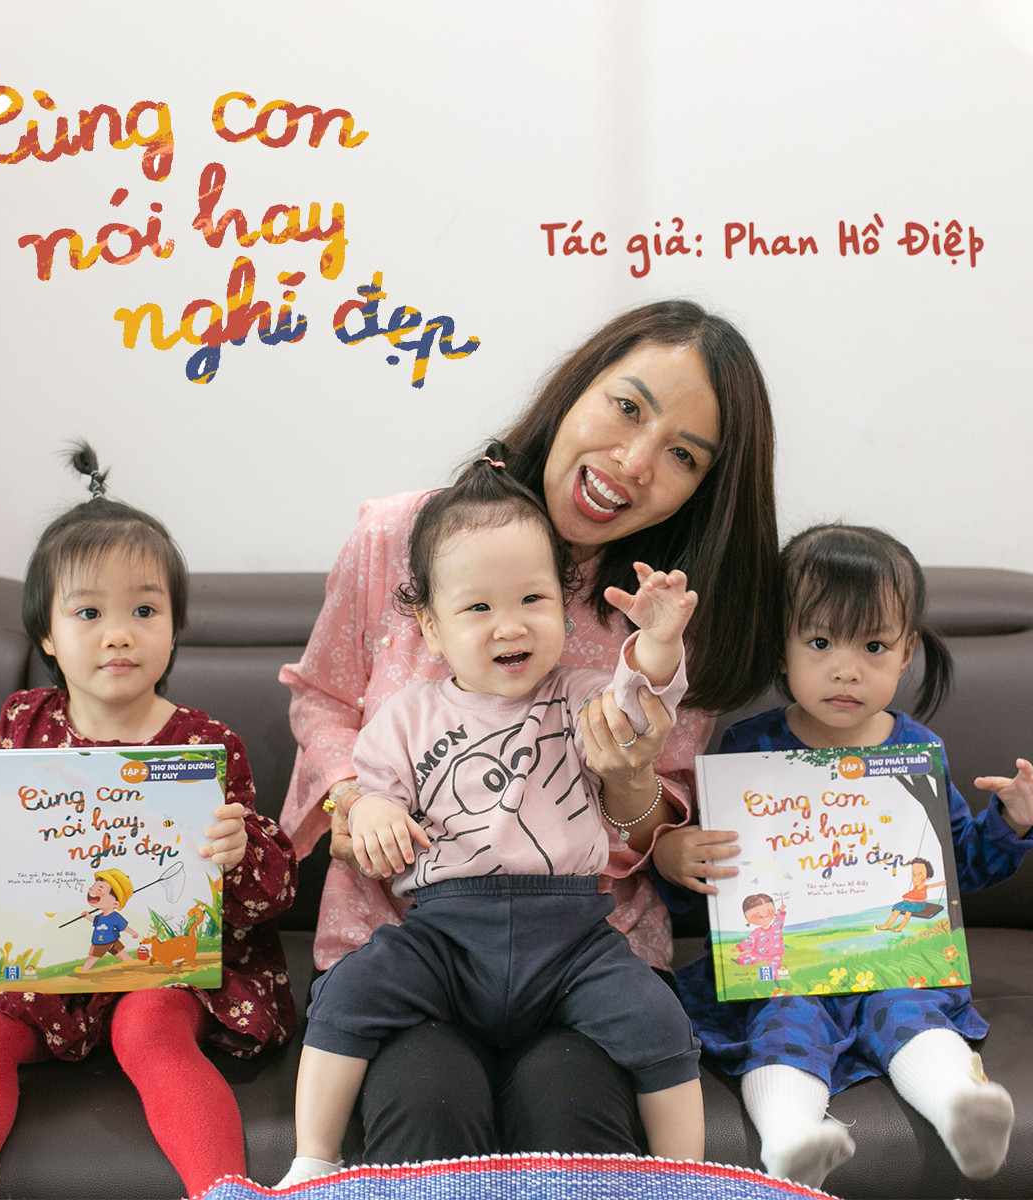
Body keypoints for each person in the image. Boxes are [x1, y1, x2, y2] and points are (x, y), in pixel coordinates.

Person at [279, 299, 780, 1160]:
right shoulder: (400, 535)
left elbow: (653, 828)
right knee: (429, 1111)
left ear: (705, 487)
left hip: (588, 952)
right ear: (575, 389)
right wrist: (355, 802)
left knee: (568, 1118)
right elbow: (323, 696)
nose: (634, 461)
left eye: (683, 455)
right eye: (627, 407)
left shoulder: (664, 619)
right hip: (403, 939)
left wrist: (628, 782)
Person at [0, 443, 297, 1200]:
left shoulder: (204, 745)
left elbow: (269, 894)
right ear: (46, 634)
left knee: (152, 1029)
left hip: (164, 968)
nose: (119, 634)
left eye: (144, 610)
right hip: (41, 967)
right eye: (88, 613)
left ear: (174, 627)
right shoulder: (24, 723)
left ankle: (225, 1192)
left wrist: (238, 850)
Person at [278, 460, 704, 1186]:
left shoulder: (580, 697)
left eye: (533, 598)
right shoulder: (405, 716)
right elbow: (368, 790)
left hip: (571, 935)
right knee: (347, 995)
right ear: (431, 627)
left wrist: (659, 642)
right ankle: (312, 1162)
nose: (511, 624)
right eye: (478, 608)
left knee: (660, 1021)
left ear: (564, 611)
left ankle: (686, 1177)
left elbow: (642, 702)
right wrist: (372, 809)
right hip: (443, 931)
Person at [656, 523, 1033, 1189]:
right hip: (786, 966)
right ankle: (790, 1139)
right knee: (785, 1017)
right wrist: (678, 859)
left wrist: (1010, 823)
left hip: (893, 957)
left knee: (909, 1009)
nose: (847, 669)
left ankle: (961, 1107)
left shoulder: (915, 754)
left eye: (873, 646)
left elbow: (957, 868)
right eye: (820, 642)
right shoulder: (748, 749)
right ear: (780, 647)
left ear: (906, 652)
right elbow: (717, 879)